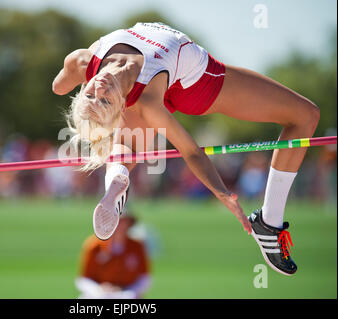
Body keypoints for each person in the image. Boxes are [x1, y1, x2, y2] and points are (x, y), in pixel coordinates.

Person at [52, 22, 320, 276]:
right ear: (120, 104)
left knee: (130, 137)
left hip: (158, 78)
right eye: (104, 99)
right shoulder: (146, 101)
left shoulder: (81, 62)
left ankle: (116, 181)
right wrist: (222, 192)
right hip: (195, 83)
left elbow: (58, 87)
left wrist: (76, 96)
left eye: (89, 94)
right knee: (305, 115)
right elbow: (191, 151)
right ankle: (270, 223)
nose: (98, 87)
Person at [76, 215, 151, 299]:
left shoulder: (137, 246)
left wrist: (127, 292)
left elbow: (144, 278)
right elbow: (84, 279)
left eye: (123, 222)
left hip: (127, 292)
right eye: (116, 221)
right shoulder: (94, 245)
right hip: (100, 294)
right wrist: (99, 290)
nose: (119, 225)